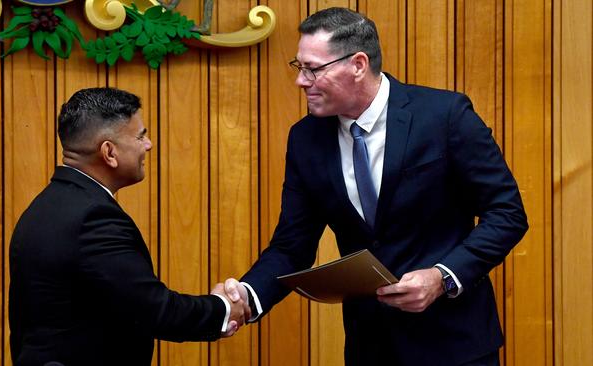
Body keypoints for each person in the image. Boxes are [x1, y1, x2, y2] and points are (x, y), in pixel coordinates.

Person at [224, 7, 528, 366]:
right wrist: (245, 295)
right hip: (370, 347)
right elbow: (292, 245)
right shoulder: (306, 138)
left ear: (357, 64)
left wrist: (442, 277)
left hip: (455, 344)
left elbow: (506, 213)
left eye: (313, 69)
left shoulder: (445, 116)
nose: (301, 81)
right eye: (299, 67)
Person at [9, 88, 249, 366]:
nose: (148, 144)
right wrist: (222, 309)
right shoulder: (93, 219)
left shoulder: (44, 207)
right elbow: (154, 310)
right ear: (109, 152)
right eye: (140, 136)